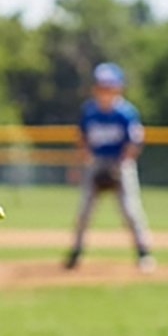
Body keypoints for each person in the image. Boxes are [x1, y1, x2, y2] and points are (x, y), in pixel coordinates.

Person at [64, 62, 155, 272]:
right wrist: (83, 161)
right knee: (84, 211)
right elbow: (82, 139)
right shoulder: (89, 111)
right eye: (101, 86)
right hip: (95, 163)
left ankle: (144, 253)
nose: (104, 90)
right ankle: (76, 252)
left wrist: (119, 166)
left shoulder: (126, 113)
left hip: (121, 164)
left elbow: (134, 143)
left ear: (118, 88)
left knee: (130, 210)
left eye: (109, 86)